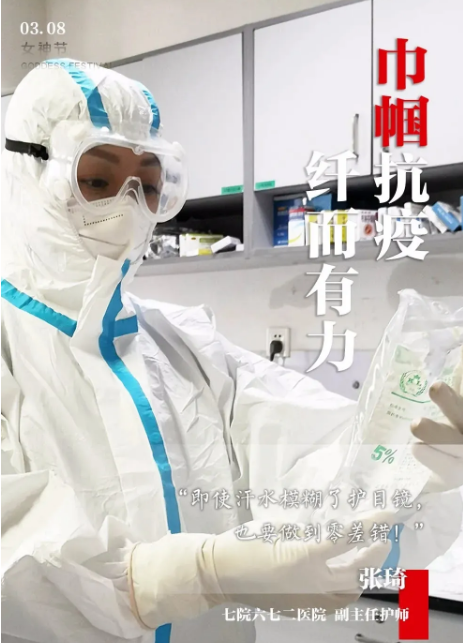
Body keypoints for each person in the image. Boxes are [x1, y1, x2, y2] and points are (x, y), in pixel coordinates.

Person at [1, 60, 462, 643]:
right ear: (28, 172)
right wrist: (186, 575)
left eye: (147, 185)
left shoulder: (184, 345)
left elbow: (317, 451)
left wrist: (417, 457)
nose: (129, 208)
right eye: (97, 180)